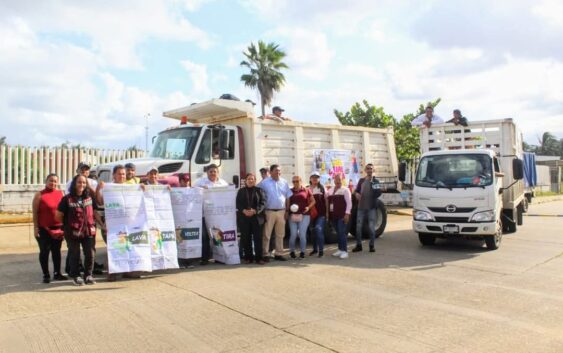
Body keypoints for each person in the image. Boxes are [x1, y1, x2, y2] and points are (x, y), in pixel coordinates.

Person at [56, 174, 100, 286]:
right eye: (79, 182)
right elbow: (58, 215)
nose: (82, 184)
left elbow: (94, 212)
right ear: (74, 184)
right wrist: (67, 226)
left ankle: (88, 275)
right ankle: (76, 276)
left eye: (84, 182)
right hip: (72, 232)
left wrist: (102, 224)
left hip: (89, 231)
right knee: (75, 254)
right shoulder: (67, 199)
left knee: (90, 254)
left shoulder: (89, 197)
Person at [32, 173, 66, 283]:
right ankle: (46, 274)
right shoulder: (39, 195)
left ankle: (57, 273)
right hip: (44, 229)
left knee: (56, 251)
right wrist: (36, 227)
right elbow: (35, 213)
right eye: (51, 180)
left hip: (58, 228)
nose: (53, 183)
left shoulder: (61, 193)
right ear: (46, 181)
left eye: (55, 181)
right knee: (44, 251)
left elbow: (64, 211)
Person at [194, 164, 229, 264]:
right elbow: (193, 193)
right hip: (204, 213)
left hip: (219, 215)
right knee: (205, 237)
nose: (213, 173)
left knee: (217, 235)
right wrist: (201, 189)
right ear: (207, 173)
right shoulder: (200, 182)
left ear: (218, 172)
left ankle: (219, 257)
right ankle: (205, 258)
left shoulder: (223, 183)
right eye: (211, 171)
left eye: (215, 171)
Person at [258, 164, 290, 261]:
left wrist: (287, 210)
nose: (278, 172)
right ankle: (265, 254)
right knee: (266, 234)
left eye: (279, 171)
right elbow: (257, 194)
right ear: (271, 172)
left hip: (281, 211)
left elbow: (288, 197)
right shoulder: (264, 183)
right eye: (276, 170)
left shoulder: (284, 182)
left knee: (280, 234)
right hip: (269, 211)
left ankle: (279, 253)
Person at [236, 173, 266, 265]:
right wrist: (244, 210)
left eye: (252, 179)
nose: (250, 180)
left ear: (255, 180)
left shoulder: (259, 190)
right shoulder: (241, 191)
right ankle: (248, 258)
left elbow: (263, 203)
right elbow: (238, 203)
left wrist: (255, 211)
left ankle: (259, 258)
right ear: (246, 180)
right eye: (249, 179)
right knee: (246, 238)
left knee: (258, 238)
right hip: (244, 218)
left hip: (256, 218)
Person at [353, 163, 382, 253]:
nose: (369, 170)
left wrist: (372, 182)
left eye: (371, 168)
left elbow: (378, 193)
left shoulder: (376, 181)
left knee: (371, 227)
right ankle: (359, 245)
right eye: (368, 168)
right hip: (361, 207)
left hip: (371, 208)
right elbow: (356, 191)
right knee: (358, 227)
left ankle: (371, 246)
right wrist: (356, 194)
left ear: (373, 170)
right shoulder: (361, 180)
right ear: (365, 170)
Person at [287, 176, 315, 259]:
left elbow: (313, 201)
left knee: (302, 234)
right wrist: (287, 212)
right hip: (292, 215)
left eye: (297, 181)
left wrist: (308, 208)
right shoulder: (290, 191)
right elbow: (287, 202)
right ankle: (292, 251)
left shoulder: (306, 190)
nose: (295, 183)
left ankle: (302, 252)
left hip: (304, 215)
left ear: (301, 181)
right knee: (293, 234)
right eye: (293, 181)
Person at [327, 173, 352, 259]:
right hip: (334, 215)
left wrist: (347, 214)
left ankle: (345, 251)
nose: (338, 181)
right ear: (334, 180)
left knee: (342, 232)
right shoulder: (330, 190)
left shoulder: (345, 190)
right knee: (338, 233)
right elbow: (326, 197)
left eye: (340, 179)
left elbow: (349, 203)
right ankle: (340, 249)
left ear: (342, 180)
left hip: (342, 215)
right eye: (336, 179)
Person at [307, 172, 326, 257]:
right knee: (313, 232)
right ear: (310, 179)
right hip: (311, 214)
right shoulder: (307, 189)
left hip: (321, 214)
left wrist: (328, 213)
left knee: (318, 229)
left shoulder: (322, 189)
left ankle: (321, 250)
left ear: (319, 179)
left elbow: (327, 201)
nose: (315, 179)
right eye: (313, 177)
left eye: (317, 177)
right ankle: (315, 249)